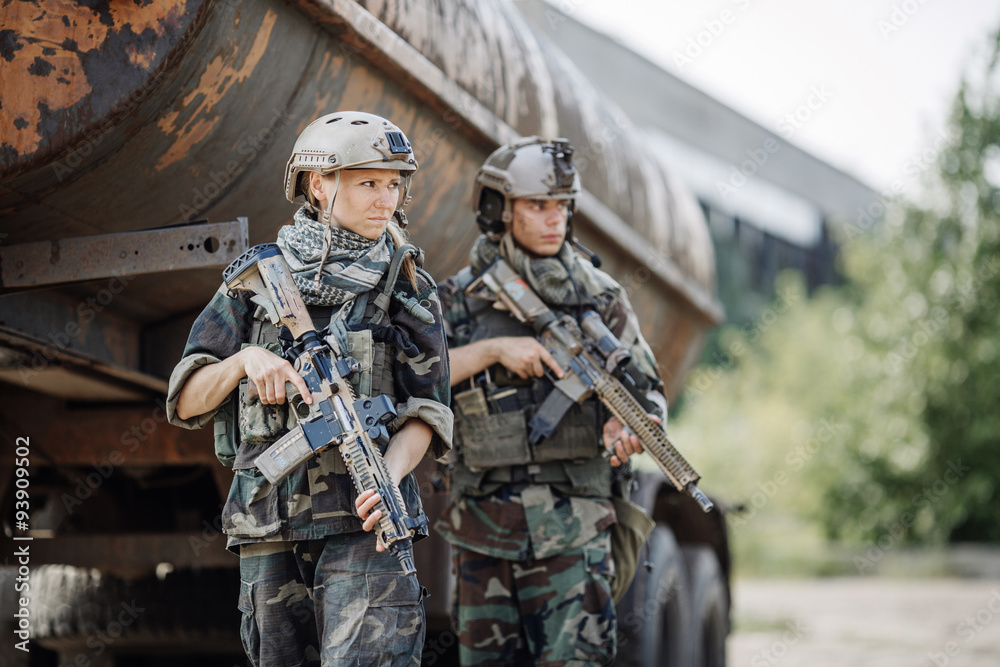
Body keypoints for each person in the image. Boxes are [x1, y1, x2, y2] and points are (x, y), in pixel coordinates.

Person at [166, 111, 452, 667]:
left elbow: (428, 412)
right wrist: (245, 362)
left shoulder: (408, 285)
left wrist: (387, 478)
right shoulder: (254, 285)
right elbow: (185, 399)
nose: (385, 199)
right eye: (369, 182)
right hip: (268, 524)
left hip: (367, 526)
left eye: (394, 184)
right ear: (319, 185)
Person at [435, 136, 667, 665]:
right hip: (483, 534)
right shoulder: (456, 301)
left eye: (562, 207)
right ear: (498, 209)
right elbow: (413, 385)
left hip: (576, 532)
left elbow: (648, 390)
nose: (554, 219)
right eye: (538, 205)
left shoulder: (600, 296)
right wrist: (493, 349)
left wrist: (629, 425)